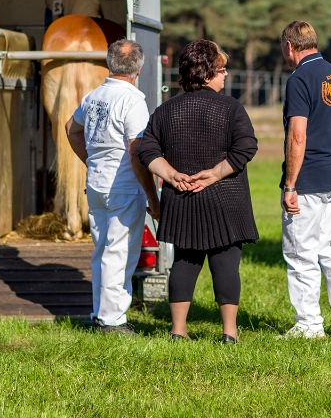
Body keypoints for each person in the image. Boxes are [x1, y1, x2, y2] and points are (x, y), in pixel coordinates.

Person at [137, 40, 259, 344]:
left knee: (184, 263)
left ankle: (178, 331)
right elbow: (246, 147)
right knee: (226, 263)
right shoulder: (231, 108)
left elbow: (147, 149)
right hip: (226, 199)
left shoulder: (166, 110)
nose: (226, 75)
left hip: (182, 198)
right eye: (221, 70)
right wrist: (215, 174)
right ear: (206, 74)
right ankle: (229, 333)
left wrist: (172, 175)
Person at [277, 20, 331, 339]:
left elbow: (297, 135)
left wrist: (290, 185)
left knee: (300, 252)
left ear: (289, 46)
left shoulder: (300, 78)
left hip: (309, 177)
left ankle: (309, 325)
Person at [66, 39, 160, 335]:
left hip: (95, 182)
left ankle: (99, 312)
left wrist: (90, 159)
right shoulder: (132, 99)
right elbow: (136, 150)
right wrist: (151, 194)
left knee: (102, 249)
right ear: (139, 69)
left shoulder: (94, 96)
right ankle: (113, 320)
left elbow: (71, 127)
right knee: (120, 253)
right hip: (123, 185)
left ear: (110, 63)